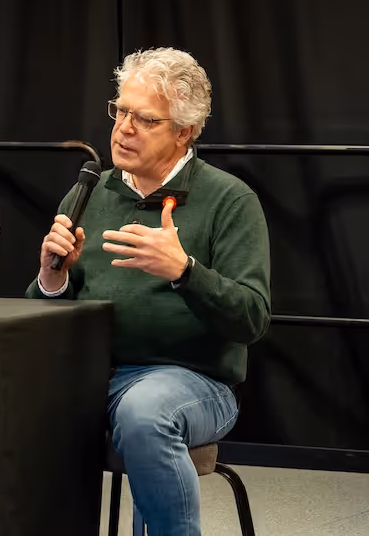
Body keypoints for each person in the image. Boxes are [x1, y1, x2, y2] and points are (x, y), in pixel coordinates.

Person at [26, 48, 270, 535]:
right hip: (94, 377)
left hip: (194, 384)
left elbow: (251, 318)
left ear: (185, 132)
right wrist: (51, 279)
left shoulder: (229, 199)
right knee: (0, 400)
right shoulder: (88, 194)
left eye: (146, 119)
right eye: (121, 111)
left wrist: (184, 271)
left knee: (145, 412)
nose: (124, 128)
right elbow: (41, 319)